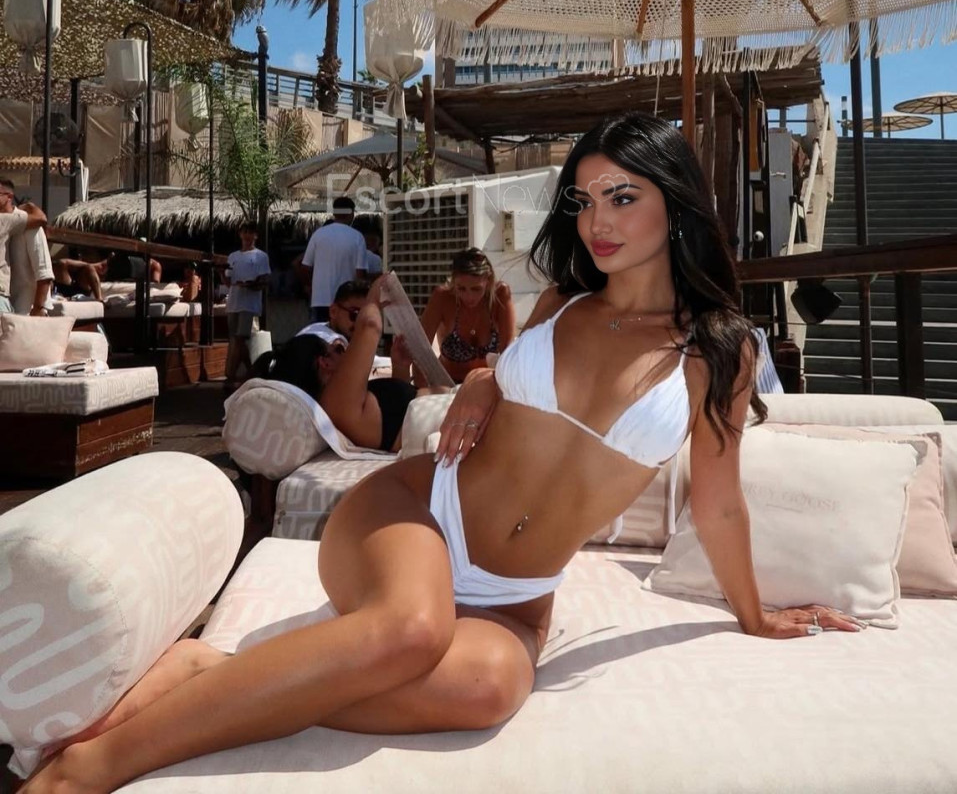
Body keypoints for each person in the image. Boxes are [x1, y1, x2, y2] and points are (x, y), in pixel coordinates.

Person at [23, 113, 860, 794]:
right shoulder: (562, 302)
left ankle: (211, 671)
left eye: (621, 197)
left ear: (674, 205)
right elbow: (515, 376)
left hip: (513, 598)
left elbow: (718, 502)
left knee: (490, 689)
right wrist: (484, 383)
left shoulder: (718, 349)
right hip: (417, 511)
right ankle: (92, 770)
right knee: (410, 629)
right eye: (583, 201)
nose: (597, 222)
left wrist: (753, 614)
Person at [256, 280, 419, 452]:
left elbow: (396, 419)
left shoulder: (342, 402)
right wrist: (373, 297)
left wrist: (400, 367)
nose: (345, 353)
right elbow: (370, 325)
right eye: (339, 349)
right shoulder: (337, 405)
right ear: (324, 362)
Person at [418, 247, 515, 385]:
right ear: (453, 282)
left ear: (488, 281)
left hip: (486, 385)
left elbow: (508, 352)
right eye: (461, 288)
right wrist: (420, 391)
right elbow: (420, 351)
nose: (469, 297)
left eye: (476, 289)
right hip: (448, 384)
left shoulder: (500, 296)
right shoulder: (443, 298)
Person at [298, 196, 368, 322]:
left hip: (320, 299)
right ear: (351, 213)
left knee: (321, 333)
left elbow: (305, 267)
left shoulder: (319, 235)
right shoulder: (357, 237)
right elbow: (360, 273)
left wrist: (310, 287)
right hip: (347, 302)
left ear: (334, 213)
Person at [224, 223, 271, 389]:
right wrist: (220, 273)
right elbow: (228, 282)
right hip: (233, 301)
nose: (247, 235)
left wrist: (252, 285)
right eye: (245, 232)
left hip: (249, 303)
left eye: (250, 232)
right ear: (240, 234)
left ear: (255, 236)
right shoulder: (233, 256)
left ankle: (229, 374)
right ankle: (253, 371)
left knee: (240, 338)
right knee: (236, 339)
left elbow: (264, 280)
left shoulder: (260, 256)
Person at [0, 179, 47, 314]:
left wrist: (38, 307)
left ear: (9, 197)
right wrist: (29, 207)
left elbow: (44, 273)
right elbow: (41, 218)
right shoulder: (5, 220)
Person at [297, 278, 370, 344]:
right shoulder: (320, 341)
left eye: (367, 317)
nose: (360, 323)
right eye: (355, 314)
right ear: (333, 311)